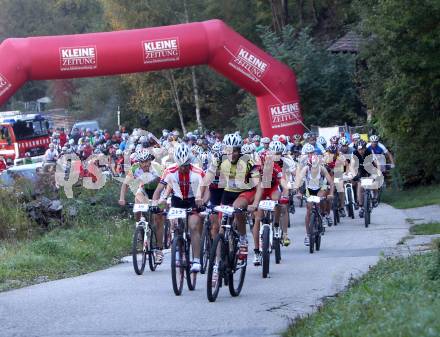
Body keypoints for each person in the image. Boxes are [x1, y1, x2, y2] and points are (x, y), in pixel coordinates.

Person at [156, 143, 209, 273]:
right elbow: (158, 190)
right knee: (175, 226)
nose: (183, 169)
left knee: (193, 226)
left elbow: (207, 191)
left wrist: (203, 202)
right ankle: (179, 249)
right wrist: (156, 202)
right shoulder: (169, 171)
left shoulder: (197, 171)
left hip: (193, 200)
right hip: (177, 200)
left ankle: (196, 260)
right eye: (181, 166)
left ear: (189, 163)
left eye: (185, 166)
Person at [219, 133, 262, 260]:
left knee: (237, 208)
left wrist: (255, 204)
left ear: (240, 150)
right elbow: (207, 181)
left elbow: (259, 185)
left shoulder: (248, 161)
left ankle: (243, 240)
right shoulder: (220, 160)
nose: (232, 154)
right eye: (229, 151)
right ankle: (219, 264)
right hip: (228, 193)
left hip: (245, 192)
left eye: (235, 151)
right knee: (221, 231)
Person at [295, 147, 334, 246]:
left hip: (321, 187)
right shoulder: (305, 169)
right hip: (310, 188)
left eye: (315, 166)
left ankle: (322, 216)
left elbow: (331, 182)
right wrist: (299, 192)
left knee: (319, 200)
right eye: (312, 166)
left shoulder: (322, 169)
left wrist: (331, 194)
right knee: (308, 210)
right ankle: (308, 234)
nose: (314, 169)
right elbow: (298, 182)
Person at [350, 140, 381, 217]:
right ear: (357, 149)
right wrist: (354, 175)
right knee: (360, 187)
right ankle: (361, 207)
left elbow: (377, 163)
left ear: (365, 148)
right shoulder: (354, 153)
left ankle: (375, 197)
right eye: (359, 149)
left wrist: (379, 172)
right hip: (360, 170)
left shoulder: (369, 152)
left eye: (363, 149)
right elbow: (351, 165)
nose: (361, 151)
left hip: (370, 168)